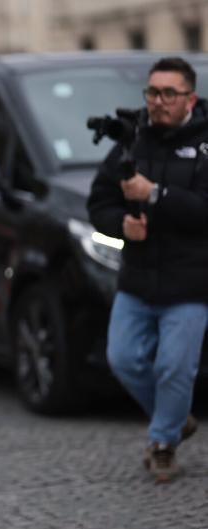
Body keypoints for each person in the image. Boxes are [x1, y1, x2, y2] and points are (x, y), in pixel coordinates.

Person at [88, 56, 208, 483]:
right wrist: (120, 225)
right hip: (137, 279)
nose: (157, 102)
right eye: (152, 92)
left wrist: (155, 194)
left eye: (168, 94)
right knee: (122, 359)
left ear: (189, 98)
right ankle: (175, 417)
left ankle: (163, 444)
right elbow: (99, 201)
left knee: (174, 368)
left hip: (191, 283)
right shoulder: (132, 139)